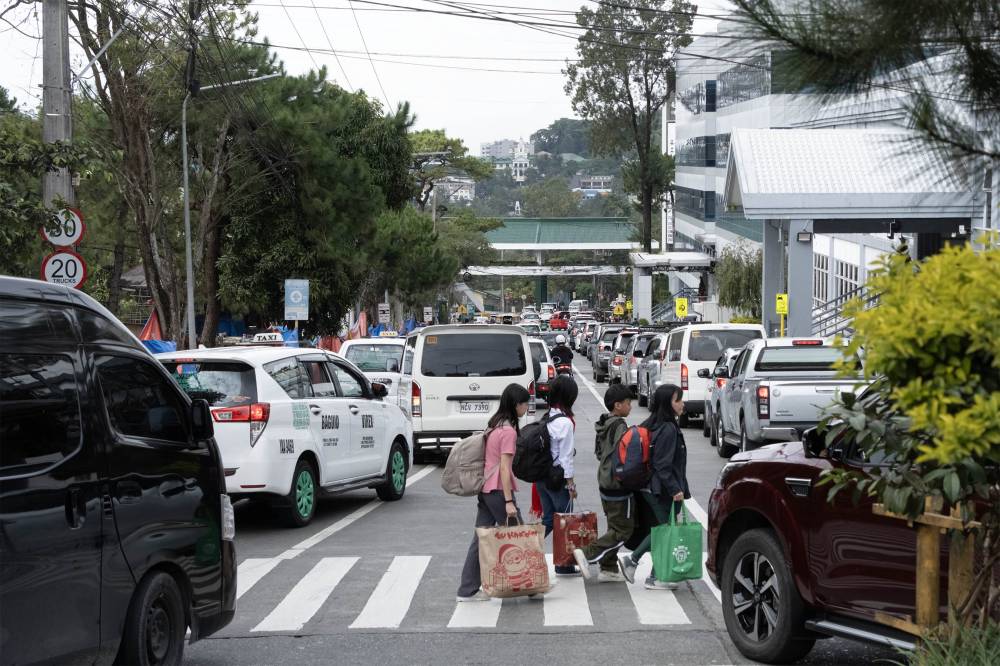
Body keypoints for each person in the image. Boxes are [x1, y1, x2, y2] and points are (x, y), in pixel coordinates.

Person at [457, 383, 531, 601]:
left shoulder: (494, 425)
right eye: (525, 403)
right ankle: (531, 585)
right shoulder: (508, 432)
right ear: (516, 405)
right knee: (520, 536)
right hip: (498, 491)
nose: (527, 407)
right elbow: (505, 469)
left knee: (480, 539)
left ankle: (467, 590)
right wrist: (509, 501)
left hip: (486, 489)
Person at [618, 383, 690, 590]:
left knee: (663, 529)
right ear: (668, 403)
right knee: (665, 530)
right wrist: (675, 489)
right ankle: (632, 560)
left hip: (649, 486)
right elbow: (662, 464)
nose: (682, 403)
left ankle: (656, 575)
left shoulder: (652, 424)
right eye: (678, 400)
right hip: (661, 489)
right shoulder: (668, 429)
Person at [572, 383, 633, 582]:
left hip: (604, 480)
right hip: (617, 483)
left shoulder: (604, 423)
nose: (630, 406)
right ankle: (587, 553)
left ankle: (608, 568)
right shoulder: (620, 425)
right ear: (617, 405)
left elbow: (599, 453)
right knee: (623, 530)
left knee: (614, 526)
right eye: (628, 403)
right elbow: (624, 455)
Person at [536, 374, 579, 576]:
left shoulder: (546, 418)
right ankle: (563, 565)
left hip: (541, 478)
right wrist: (571, 485)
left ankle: (526, 547)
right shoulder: (565, 423)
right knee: (565, 520)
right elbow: (566, 457)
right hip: (557, 479)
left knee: (548, 520)